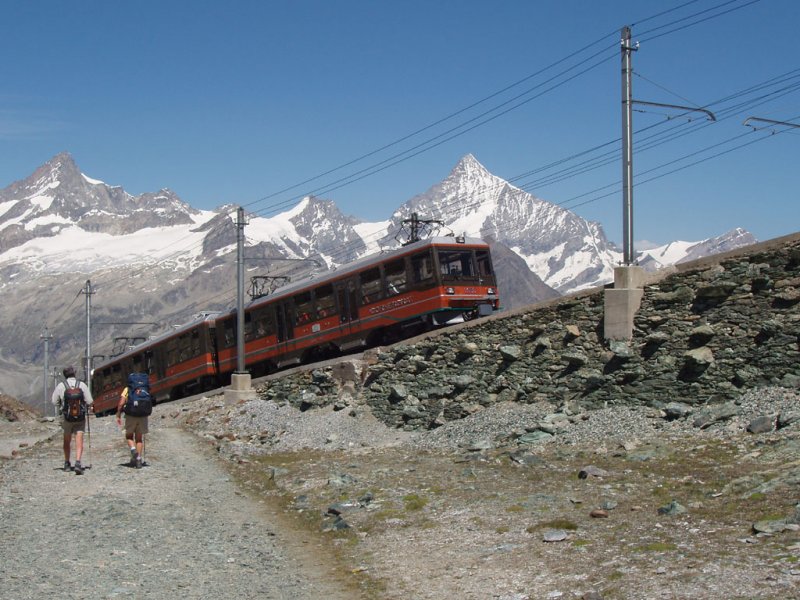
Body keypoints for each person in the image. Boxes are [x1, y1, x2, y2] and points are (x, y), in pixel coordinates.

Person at [51, 366, 94, 474]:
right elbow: (89, 401)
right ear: (74, 373)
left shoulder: (61, 386)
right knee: (79, 439)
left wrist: (62, 406)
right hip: (80, 417)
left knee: (67, 440)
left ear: (65, 375)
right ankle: (78, 462)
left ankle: (66, 463)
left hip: (67, 418)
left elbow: (53, 401)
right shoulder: (82, 385)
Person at [115, 382, 148, 469]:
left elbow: (121, 403)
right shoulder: (144, 389)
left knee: (129, 436)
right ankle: (139, 460)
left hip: (131, 415)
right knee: (139, 439)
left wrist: (118, 414)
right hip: (142, 415)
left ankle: (133, 451)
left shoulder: (127, 389)